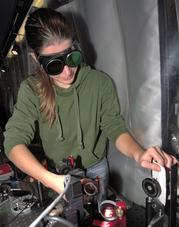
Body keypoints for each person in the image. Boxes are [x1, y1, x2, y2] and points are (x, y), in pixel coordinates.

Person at [3, 8, 178, 203]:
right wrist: (50, 179)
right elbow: (13, 143)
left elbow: (115, 128)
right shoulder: (31, 90)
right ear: (36, 59)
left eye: (72, 57)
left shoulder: (99, 83)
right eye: (54, 65)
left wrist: (139, 154)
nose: (68, 72)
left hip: (96, 169)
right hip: (57, 174)